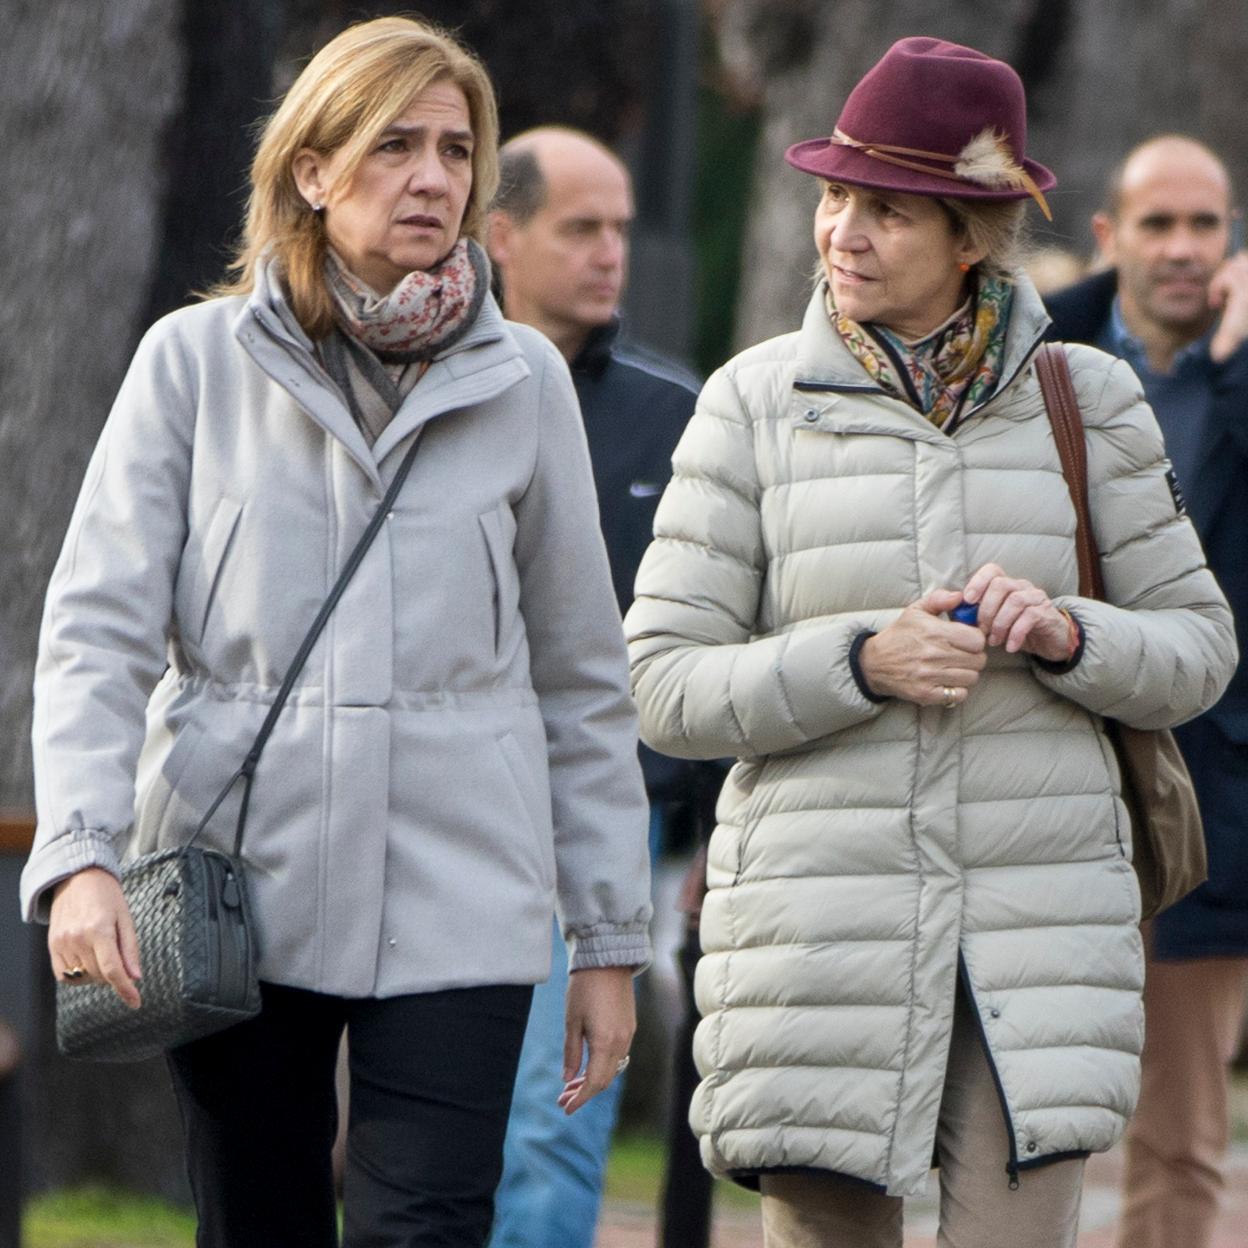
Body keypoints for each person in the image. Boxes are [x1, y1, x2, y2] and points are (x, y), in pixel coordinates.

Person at [19, 17, 652, 1248]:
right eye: (394, 144)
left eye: (457, 150)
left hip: (465, 895)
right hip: (236, 890)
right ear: (311, 169)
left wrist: (611, 939)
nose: (432, 177)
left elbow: (582, 677)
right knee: (259, 1224)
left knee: (428, 1228)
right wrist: (84, 854)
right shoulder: (190, 365)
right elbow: (96, 631)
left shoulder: (523, 383)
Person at [623, 37, 1238, 1248]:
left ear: (974, 237)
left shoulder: (1090, 397)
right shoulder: (748, 405)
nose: (842, 231)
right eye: (833, 197)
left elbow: (1198, 649)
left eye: (887, 210)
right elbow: (663, 684)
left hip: (1037, 948)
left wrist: (1070, 634)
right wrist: (860, 661)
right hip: (816, 950)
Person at [485, 126, 716, 1248]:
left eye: (621, 227)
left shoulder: (679, 416)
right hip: (441, 814)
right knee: (423, 1136)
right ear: (500, 235)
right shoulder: (434, 389)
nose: (610, 251)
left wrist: (717, 832)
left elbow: (724, 628)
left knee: (553, 1125)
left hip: (601, 832)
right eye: (582, 227)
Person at [1044, 134, 1248, 1248]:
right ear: (1112, 238)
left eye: (1204, 224)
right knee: (1025, 1115)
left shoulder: (1238, 374)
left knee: (1180, 1131)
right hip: (1044, 781)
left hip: (1209, 805)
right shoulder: (1040, 358)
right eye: (1158, 224)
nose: (1181, 248)